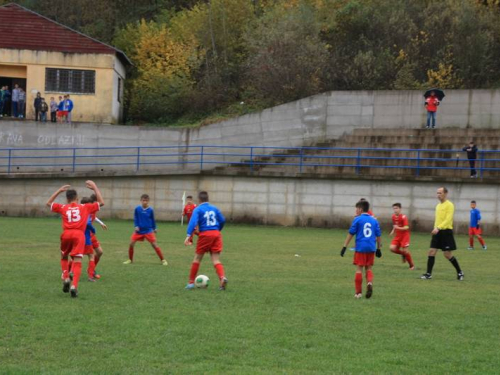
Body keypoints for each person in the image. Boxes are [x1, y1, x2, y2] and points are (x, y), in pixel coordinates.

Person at [46, 180, 104, 298]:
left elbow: (48, 203)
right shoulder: (84, 207)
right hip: (79, 235)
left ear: (67, 199)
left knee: (64, 257)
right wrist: (94, 187)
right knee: (77, 261)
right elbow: (101, 202)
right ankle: (74, 287)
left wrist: (59, 191)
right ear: (77, 198)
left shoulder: (63, 207)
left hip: (66, 234)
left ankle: (66, 277)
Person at [184, 191, 228, 290]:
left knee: (197, 259)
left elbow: (193, 222)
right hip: (216, 234)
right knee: (216, 259)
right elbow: (222, 220)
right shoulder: (214, 208)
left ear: (199, 200)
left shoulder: (198, 209)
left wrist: (188, 235)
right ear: (208, 199)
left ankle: (191, 283)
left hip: (205, 235)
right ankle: (222, 278)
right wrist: (218, 229)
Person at [340, 200, 382, 299]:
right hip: (371, 248)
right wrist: (379, 249)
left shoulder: (357, 219)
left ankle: (358, 293)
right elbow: (378, 235)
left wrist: (344, 246)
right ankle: (369, 283)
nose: (356, 210)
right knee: (369, 268)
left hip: (360, 248)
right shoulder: (374, 220)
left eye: (356, 208)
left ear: (360, 209)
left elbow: (351, 233)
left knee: (359, 269)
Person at [421, 187, 464, 281]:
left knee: (447, 254)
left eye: (440, 193)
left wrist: (438, 228)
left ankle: (460, 272)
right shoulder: (438, 206)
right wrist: (435, 228)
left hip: (446, 232)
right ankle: (428, 274)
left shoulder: (450, 205)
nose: (438, 195)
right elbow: (438, 220)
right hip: (437, 232)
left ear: (445, 193)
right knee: (431, 251)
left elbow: (448, 219)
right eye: (437, 193)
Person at [124, 194, 167, 265]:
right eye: (143, 200)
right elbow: (136, 218)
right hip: (139, 231)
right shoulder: (137, 209)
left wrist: (154, 228)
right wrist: (136, 226)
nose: (145, 202)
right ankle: (130, 260)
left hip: (148, 230)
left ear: (148, 201)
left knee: (154, 245)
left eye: (146, 201)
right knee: (131, 244)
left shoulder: (150, 210)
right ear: (141, 201)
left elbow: (153, 219)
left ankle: (163, 260)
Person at [389, 203, 415, 270]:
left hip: (404, 236)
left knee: (406, 251)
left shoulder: (403, 217)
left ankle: (411, 265)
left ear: (400, 209)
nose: (395, 210)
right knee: (392, 248)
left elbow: (406, 227)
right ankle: (403, 254)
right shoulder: (393, 217)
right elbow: (395, 225)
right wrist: (393, 231)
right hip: (398, 236)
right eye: (394, 208)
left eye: (396, 208)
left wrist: (397, 228)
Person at [89, 193, 107, 278]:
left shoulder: (93, 209)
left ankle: (91, 270)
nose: (98, 205)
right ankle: (68, 271)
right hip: (84, 235)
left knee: (99, 252)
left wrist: (101, 223)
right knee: (77, 255)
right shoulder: (86, 208)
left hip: (91, 235)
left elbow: (94, 217)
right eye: (97, 203)